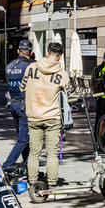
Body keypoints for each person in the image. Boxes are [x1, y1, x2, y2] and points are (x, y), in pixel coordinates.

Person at [20, 42, 69, 187]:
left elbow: (23, 88)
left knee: (34, 152)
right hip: (52, 116)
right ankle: (52, 183)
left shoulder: (31, 68)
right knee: (52, 153)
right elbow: (69, 95)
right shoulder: (62, 74)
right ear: (60, 57)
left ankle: (33, 183)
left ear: (47, 53)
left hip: (33, 116)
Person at [2, 40, 35, 171]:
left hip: (13, 104)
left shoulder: (9, 66)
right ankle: (7, 165)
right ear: (31, 53)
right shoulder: (31, 66)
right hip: (25, 105)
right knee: (24, 139)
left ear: (18, 51)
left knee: (22, 137)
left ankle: (28, 165)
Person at [90, 60, 105, 136]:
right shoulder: (98, 69)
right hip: (102, 97)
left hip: (100, 96)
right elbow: (92, 82)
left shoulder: (97, 68)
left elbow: (92, 82)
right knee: (100, 118)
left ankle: (98, 138)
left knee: (99, 118)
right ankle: (98, 138)